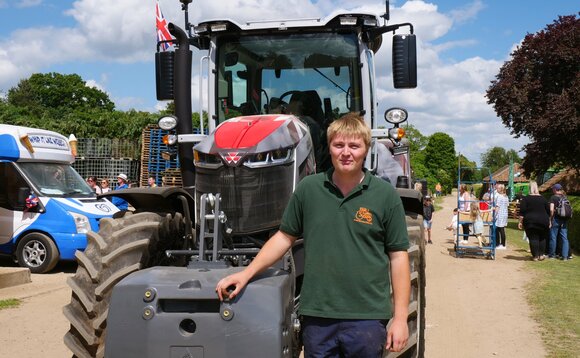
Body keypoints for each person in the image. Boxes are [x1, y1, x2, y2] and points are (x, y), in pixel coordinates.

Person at [216, 113, 411, 357]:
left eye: (354, 146)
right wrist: (246, 274)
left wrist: (401, 318)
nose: (346, 152)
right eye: (339, 145)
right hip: (318, 317)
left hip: (367, 318)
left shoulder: (385, 195)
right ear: (328, 147)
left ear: (366, 149)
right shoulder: (309, 189)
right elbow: (283, 238)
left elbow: (398, 256)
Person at [518, 181, 550, 261]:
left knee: (533, 238)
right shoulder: (543, 199)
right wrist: (549, 221)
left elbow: (522, 212)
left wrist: (520, 222)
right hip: (543, 220)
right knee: (542, 238)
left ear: (529, 188)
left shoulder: (526, 199)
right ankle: (541, 255)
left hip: (530, 221)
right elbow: (548, 212)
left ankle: (535, 256)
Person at [548, 183, 571, 260]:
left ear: (555, 189)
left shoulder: (553, 197)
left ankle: (552, 255)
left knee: (553, 237)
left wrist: (550, 219)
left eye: (553, 189)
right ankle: (565, 256)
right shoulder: (565, 197)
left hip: (556, 219)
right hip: (564, 220)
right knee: (564, 238)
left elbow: (551, 209)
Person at [494, 184, 509, 249]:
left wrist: (494, 215)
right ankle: (501, 244)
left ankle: (501, 244)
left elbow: (497, 207)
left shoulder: (500, 196)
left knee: (499, 229)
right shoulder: (506, 196)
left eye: (498, 188)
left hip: (500, 214)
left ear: (501, 189)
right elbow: (507, 205)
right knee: (501, 229)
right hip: (504, 214)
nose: (497, 189)